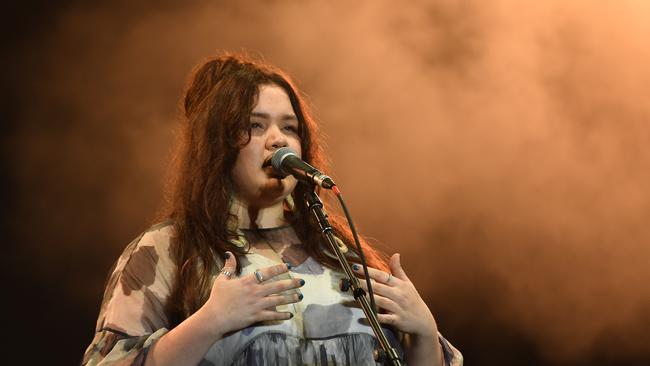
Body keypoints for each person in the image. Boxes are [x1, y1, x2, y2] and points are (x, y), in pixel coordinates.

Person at [82, 54, 463, 366]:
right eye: (255, 125)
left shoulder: (338, 254)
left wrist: (424, 336)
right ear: (218, 143)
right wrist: (210, 323)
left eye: (290, 127)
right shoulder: (166, 249)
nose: (278, 139)